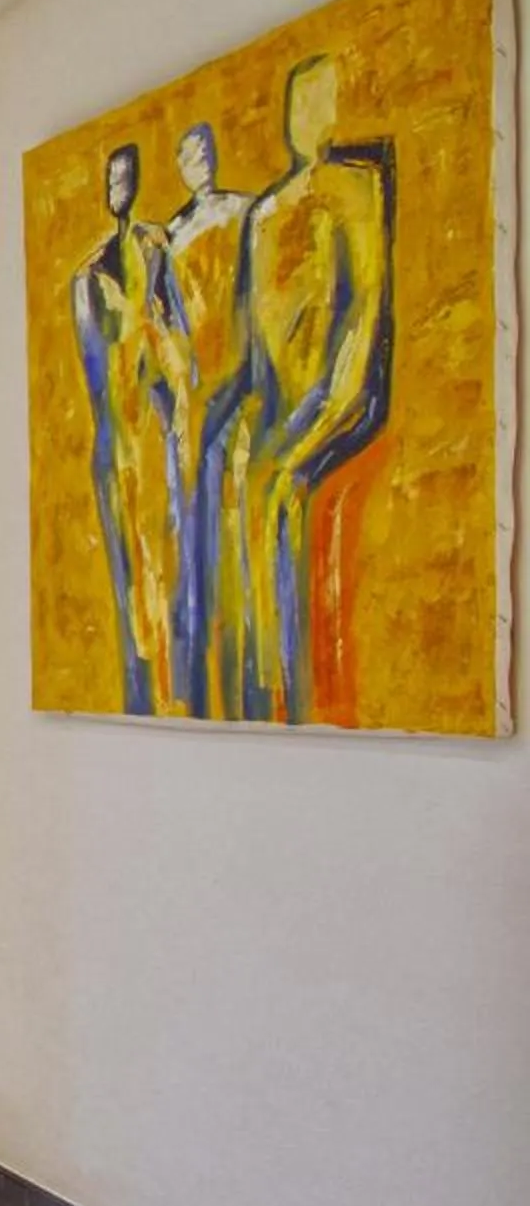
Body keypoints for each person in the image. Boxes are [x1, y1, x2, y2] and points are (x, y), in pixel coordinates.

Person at [229, 54, 395, 721]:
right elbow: (254, 345)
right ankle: (262, 682)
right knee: (244, 477)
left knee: (283, 488)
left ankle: (294, 687)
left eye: (317, 102)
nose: (307, 118)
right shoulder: (265, 213)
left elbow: (365, 312)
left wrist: (329, 406)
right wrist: (251, 419)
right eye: (297, 103)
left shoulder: (358, 189)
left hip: (340, 394)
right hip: (281, 403)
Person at [71, 144, 185, 713]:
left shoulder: (157, 248)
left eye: (125, 178)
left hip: (154, 432)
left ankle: (170, 689)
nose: (119, 188)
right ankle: (141, 691)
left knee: (164, 563)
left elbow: (177, 336)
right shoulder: (88, 276)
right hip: (115, 439)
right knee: (127, 579)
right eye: (112, 179)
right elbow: (99, 375)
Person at [164, 122, 251, 714]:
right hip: (188, 395)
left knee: (235, 518)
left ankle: (239, 671)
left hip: (236, 380)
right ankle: (194, 674)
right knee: (186, 525)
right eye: (190, 156)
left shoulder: (244, 212)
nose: (201, 163)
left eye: (206, 152)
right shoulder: (170, 233)